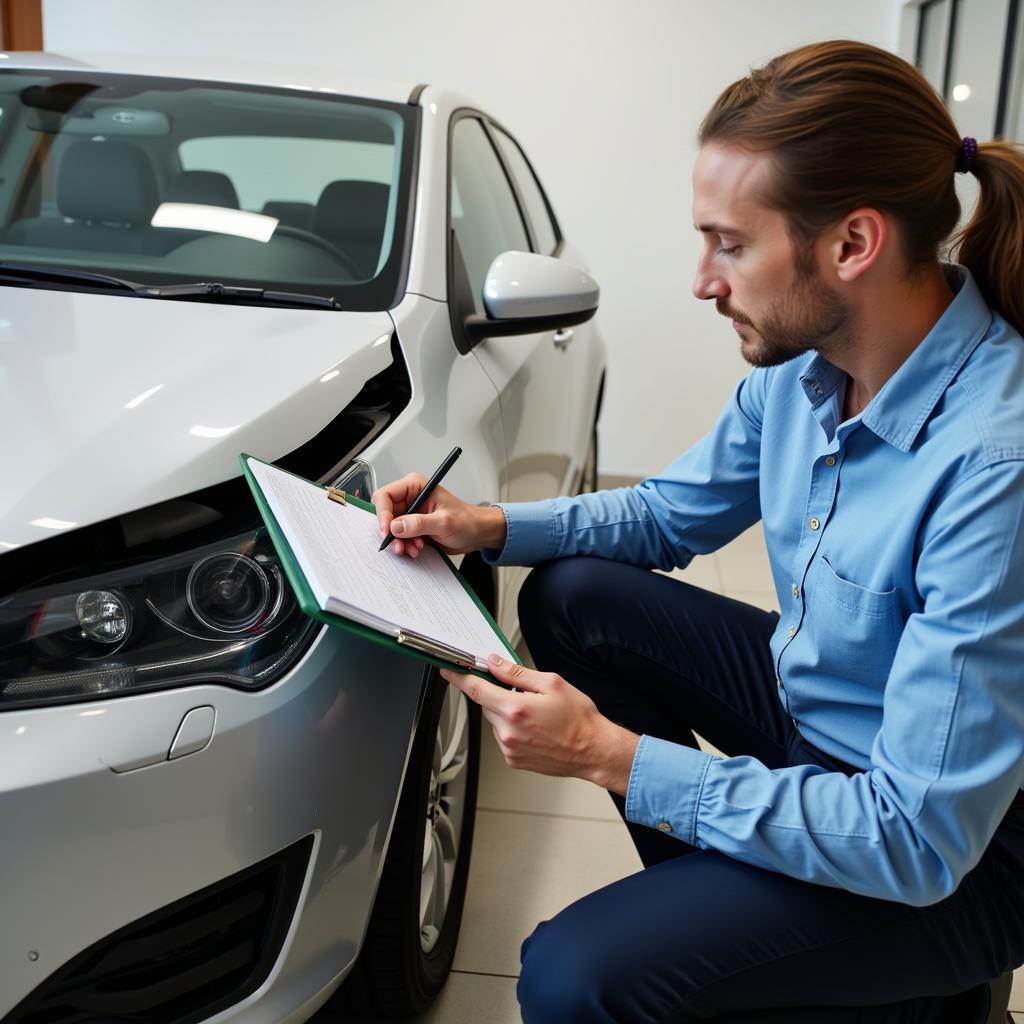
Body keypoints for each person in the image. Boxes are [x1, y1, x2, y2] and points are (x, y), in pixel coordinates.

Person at [372, 40, 1024, 1023]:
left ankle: (851, 966)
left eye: (729, 243)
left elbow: (918, 837)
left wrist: (609, 753)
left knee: (572, 975)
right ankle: (751, 931)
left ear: (851, 245)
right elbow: (667, 512)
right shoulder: (800, 374)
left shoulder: (995, 466)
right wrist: (483, 524)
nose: (701, 281)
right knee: (573, 596)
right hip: (829, 728)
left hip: (954, 852)